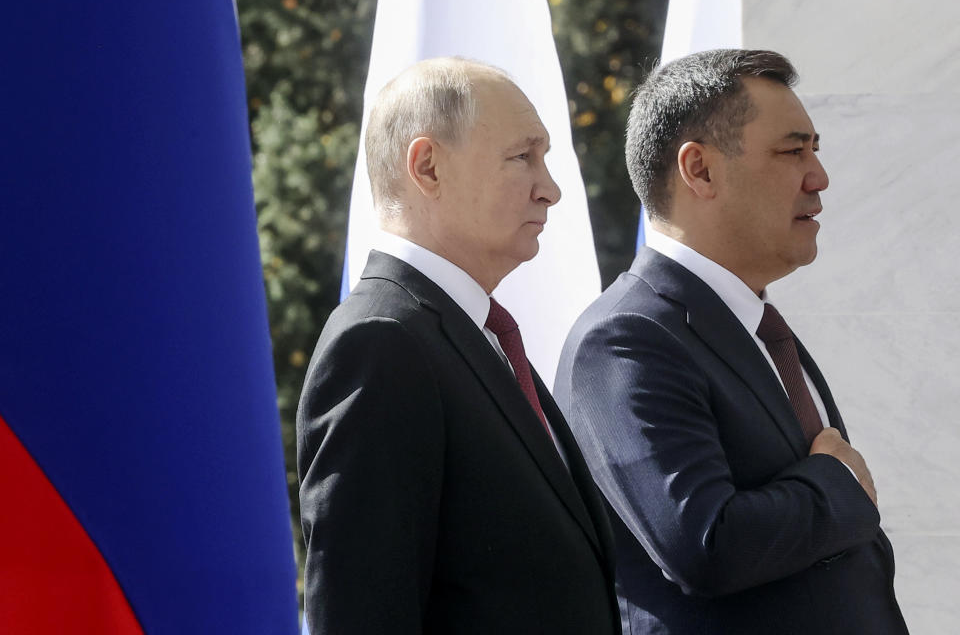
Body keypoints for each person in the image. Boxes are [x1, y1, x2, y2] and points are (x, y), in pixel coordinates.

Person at [554, 49, 909, 634]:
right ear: (699, 170)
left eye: (815, 149)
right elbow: (705, 542)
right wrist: (836, 485)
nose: (818, 177)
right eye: (794, 151)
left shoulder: (760, 328)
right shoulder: (625, 340)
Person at [297, 57, 620, 635]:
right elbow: (360, 613)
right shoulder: (382, 344)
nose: (551, 190)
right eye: (523, 157)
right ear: (427, 167)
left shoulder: (474, 335)